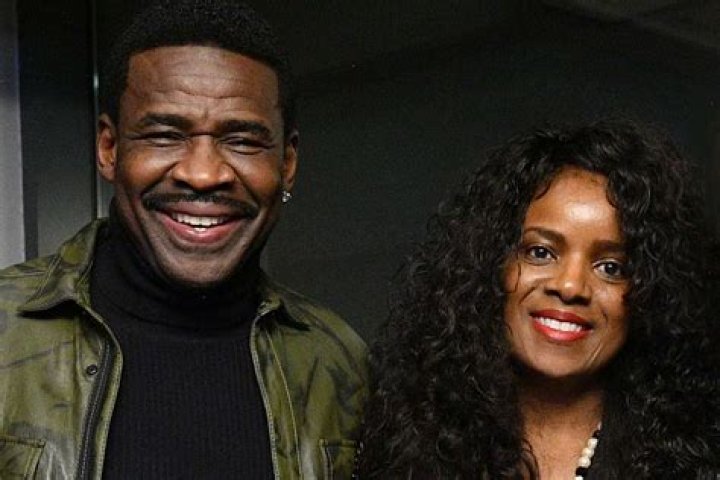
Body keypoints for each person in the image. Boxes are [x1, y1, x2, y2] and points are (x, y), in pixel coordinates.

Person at [0, 1, 367, 478]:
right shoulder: (6, 334)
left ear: (287, 163)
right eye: (165, 135)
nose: (203, 173)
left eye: (242, 141)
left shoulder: (340, 362)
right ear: (109, 149)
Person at [360, 121, 720, 478]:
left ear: (653, 291)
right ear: (490, 264)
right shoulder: (399, 436)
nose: (570, 286)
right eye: (540, 252)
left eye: (611, 267)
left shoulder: (703, 453)